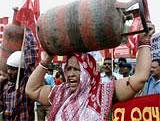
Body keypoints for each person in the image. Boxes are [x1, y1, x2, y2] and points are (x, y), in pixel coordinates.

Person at [25, 22, 155, 120]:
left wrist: (144, 40)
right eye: (68, 69)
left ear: (89, 71)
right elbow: (32, 90)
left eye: (77, 69)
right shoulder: (60, 92)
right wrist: (47, 59)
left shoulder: (103, 92)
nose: (70, 74)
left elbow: (139, 78)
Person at [1, 51, 35, 120]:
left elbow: (31, 64)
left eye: (13, 69)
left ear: (22, 71)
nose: (9, 72)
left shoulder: (26, 86)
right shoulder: (4, 86)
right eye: (8, 68)